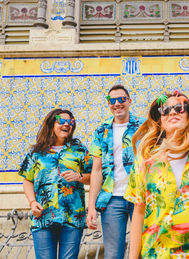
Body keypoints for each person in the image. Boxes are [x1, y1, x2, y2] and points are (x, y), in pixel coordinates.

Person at [124, 90, 189, 258]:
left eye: (179, 108)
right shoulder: (146, 159)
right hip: (157, 253)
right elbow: (138, 213)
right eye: (165, 110)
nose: (173, 112)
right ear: (160, 121)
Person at [19, 109, 92, 259]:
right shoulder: (37, 153)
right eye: (62, 121)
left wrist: (79, 176)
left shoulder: (80, 150)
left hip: (73, 216)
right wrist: (32, 202)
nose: (67, 124)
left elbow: (94, 177)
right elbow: (27, 180)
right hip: (43, 216)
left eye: (70, 122)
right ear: (51, 123)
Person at [86, 85, 145, 259]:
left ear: (129, 101)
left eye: (122, 99)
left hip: (141, 197)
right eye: (112, 101)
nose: (117, 104)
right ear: (108, 104)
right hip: (112, 199)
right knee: (112, 255)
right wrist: (91, 207)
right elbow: (96, 170)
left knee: (143, 251)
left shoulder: (144, 126)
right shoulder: (100, 131)